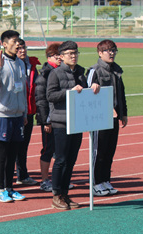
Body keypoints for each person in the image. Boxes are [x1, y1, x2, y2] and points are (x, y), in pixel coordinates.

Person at [46, 41, 100, 210]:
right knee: (61, 159)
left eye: (75, 53)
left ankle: (65, 193)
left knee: (71, 160)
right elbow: (50, 95)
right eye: (69, 53)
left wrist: (92, 88)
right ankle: (56, 194)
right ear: (60, 56)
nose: (73, 56)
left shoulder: (80, 72)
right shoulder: (55, 73)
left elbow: (83, 94)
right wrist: (69, 92)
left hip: (77, 120)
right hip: (61, 121)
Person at [0, 30, 27, 203]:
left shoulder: (20, 62)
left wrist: (24, 112)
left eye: (18, 41)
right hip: (3, 115)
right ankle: (0, 189)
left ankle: (10, 188)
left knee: (13, 155)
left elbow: (23, 89)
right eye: (14, 41)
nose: (17, 44)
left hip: (18, 115)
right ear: (4, 43)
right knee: (2, 155)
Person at [87, 39, 128, 197]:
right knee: (99, 152)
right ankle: (95, 182)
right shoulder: (95, 70)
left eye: (113, 50)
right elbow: (88, 94)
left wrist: (123, 113)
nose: (111, 53)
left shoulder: (116, 70)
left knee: (110, 150)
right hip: (99, 118)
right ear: (99, 53)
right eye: (108, 50)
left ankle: (105, 180)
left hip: (114, 118)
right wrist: (106, 108)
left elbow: (121, 94)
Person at [35, 43, 62, 192]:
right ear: (51, 56)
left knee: (60, 150)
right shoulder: (45, 74)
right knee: (48, 149)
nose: (61, 58)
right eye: (58, 55)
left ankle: (58, 180)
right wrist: (45, 120)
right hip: (50, 119)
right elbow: (41, 99)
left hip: (62, 118)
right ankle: (44, 180)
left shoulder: (62, 71)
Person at [15, 38, 41, 186]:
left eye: (24, 47)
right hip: (16, 111)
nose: (22, 51)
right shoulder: (11, 65)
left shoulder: (31, 65)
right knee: (13, 146)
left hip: (29, 111)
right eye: (18, 48)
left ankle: (22, 175)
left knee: (24, 145)